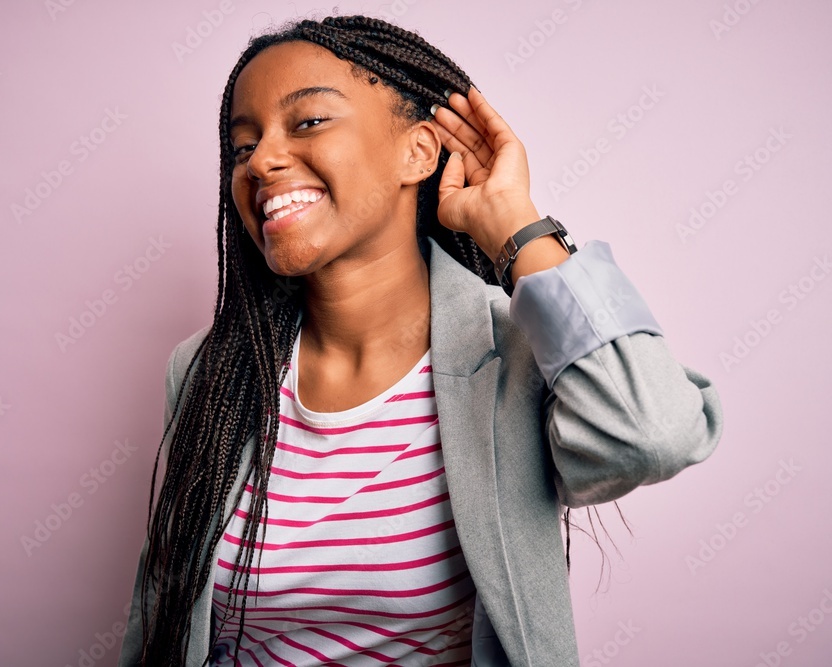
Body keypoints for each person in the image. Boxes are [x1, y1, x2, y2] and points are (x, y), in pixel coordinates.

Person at [117, 14, 723, 667]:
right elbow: (160, 618)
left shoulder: (515, 352)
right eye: (242, 145)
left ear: (419, 152)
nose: (261, 160)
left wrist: (518, 230)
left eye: (308, 122)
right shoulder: (212, 365)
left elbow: (652, 432)